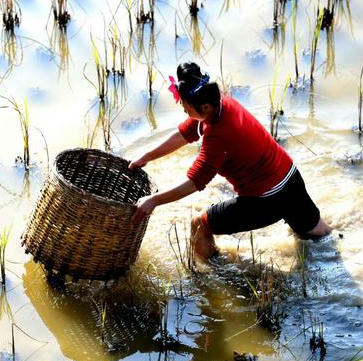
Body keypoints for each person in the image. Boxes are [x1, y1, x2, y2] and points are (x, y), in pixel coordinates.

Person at [129, 62, 332, 261]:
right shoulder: (221, 104)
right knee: (323, 239)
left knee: (199, 225)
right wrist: (146, 157)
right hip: (290, 180)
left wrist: (154, 200)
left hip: (265, 200)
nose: (183, 109)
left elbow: (195, 182)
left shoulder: (219, 134)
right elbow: (185, 134)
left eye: (185, 107)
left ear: (205, 106)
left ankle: (218, 275)